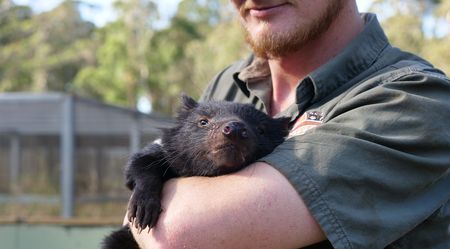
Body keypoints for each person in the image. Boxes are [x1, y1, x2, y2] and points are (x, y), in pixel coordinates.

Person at [125, 0, 450, 248]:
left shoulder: (414, 97)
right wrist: (149, 180)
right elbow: (140, 201)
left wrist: (166, 193)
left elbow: (179, 232)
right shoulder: (228, 84)